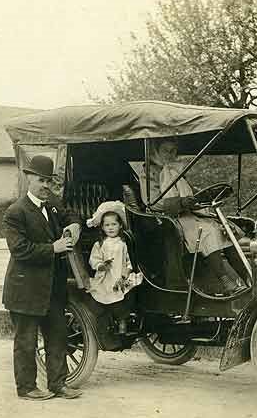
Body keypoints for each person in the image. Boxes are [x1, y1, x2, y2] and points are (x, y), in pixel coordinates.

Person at [2, 154, 83, 401]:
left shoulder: (53, 204)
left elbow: (71, 215)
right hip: (25, 288)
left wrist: (75, 226)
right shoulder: (16, 212)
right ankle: (26, 388)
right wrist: (54, 248)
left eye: (49, 181)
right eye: (41, 180)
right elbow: (20, 250)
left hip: (52, 288)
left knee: (57, 336)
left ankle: (58, 383)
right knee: (26, 341)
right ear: (28, 178)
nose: (46, 185)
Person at [136, 139, 246, 295]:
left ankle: (247, 278)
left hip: (189, 214)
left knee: (224, 229)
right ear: (156, 151)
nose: (170, 155)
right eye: (166, 151)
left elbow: (189, 192)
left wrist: (201, 197)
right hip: (167, 219)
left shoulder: (176, 171)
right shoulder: (150, 173)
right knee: (207, 231)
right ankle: (226, 281)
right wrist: (181, 202)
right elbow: (152, 203)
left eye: (173, 151)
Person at [86, 201, 142, 334]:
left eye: (114, 224)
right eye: (107, 225)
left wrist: (125, 273)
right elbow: (94, 259)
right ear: (102, 227)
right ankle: (106, 323)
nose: (110, 228)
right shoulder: (100, 244)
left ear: (120, 225)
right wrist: (101, 266)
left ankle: (123, 321)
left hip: (120, 275)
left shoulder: (123, 243)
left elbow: (129, 261)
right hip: (106, 276)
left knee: (122, 297)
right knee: (104, 296)